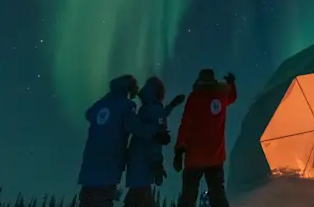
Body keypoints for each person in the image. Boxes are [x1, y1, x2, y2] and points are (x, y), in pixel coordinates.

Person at [77, 74, 147, 207]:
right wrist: (154, 131)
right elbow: (135, 127)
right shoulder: (126, 105)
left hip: (88, 173)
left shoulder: (100, 105)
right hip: (107, 171)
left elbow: (89, 114)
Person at [173, 69, 237, 207]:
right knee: (218, 194)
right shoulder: (221, 96)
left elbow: (185, 124)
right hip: (216, 156)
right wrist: (231, 84)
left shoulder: (195, 98)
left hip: (195, 157)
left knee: (188, 195)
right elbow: (232, 98)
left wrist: (178, 149)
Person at [124, 77, 186, 207]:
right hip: (144, 166)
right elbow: (156, 136)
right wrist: (157, 164)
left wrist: (171, 106)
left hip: (136, 164)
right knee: (141, 198)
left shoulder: (146, 109)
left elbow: (157, 120)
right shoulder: (154, 109)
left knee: (136, 197)